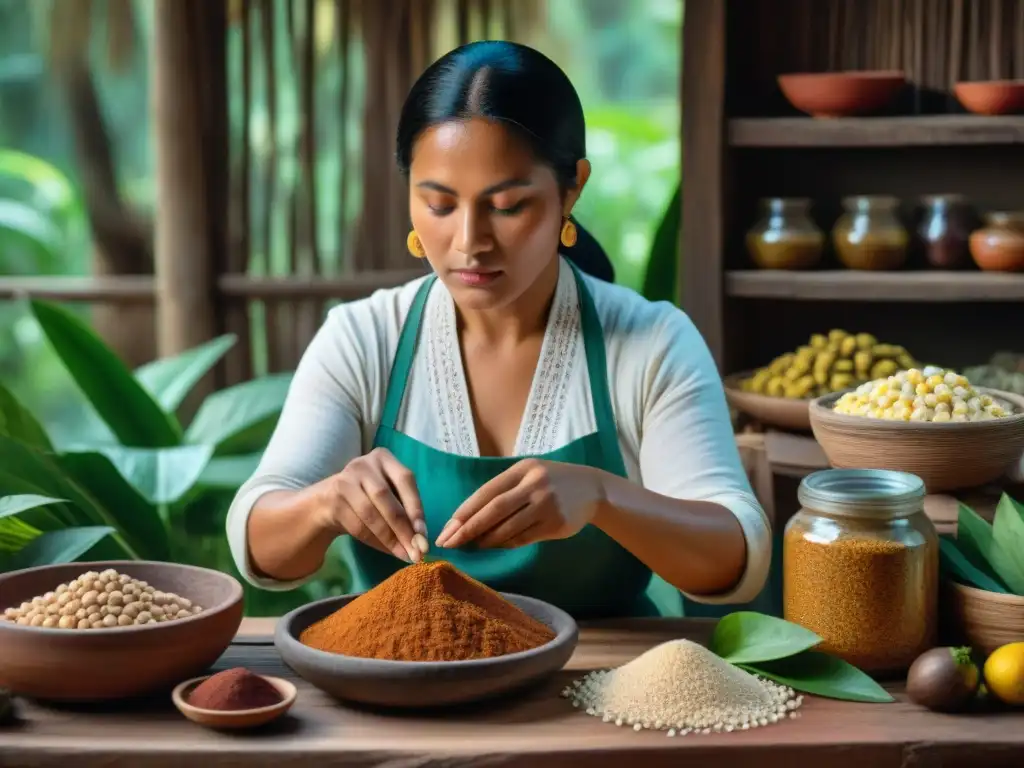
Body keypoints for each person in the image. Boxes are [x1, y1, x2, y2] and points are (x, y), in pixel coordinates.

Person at [226, 40, 770, 619]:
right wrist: (326, 504)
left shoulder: (651, 343)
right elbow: (262, 544)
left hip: (600, 688)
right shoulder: (364, 338)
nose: (469, 242)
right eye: (438, 205)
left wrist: (603, 497)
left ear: (572, 188)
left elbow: (734, 554)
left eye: (508, 206)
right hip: (401, 692)